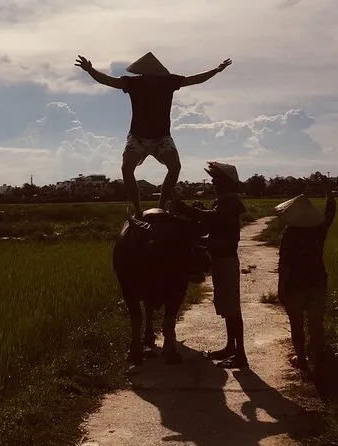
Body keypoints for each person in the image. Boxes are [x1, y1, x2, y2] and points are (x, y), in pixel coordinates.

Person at [75, 52, 232, 217]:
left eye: (151, 75)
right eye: (146, 75)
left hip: (161, 138)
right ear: (142, 74)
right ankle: (138, 211)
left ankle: (161, 207)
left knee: (175, 166)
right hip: (137, 137)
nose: (149, 78)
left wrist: (216, 70)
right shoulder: (133, 83)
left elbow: (194, 79)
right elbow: (108, 80)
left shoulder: (168, 82)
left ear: (157, 74)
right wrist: (90, 70)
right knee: (126, 168)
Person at [172, 161, 248, 369]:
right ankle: (230, 347)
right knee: (226, 307)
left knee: (232, 309)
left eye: (216, 180)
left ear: (225, 182)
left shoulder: (230, 202)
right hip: (220, 259)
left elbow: (214, 220)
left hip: (226, 260)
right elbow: (212, 223)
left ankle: (240, 354)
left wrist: (190, 211)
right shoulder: (223, 202)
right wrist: (198, 212)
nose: (213, 183)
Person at [275, 176, 336, 379]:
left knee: (297, 324)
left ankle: (301, 359)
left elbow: (284, 265)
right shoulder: (318, 230)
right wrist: (329, 192)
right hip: (317, 282)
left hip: (295, 286)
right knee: (316, 325)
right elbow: (330, 212)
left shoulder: (289, 235)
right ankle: (318, 362)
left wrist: (281, 289)